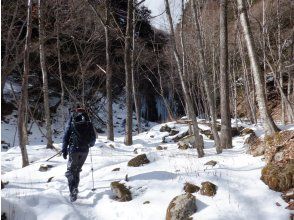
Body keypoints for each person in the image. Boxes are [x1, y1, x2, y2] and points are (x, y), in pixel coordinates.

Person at [62, 107, 96, 202]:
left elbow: (66, 136)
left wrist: (64, 150)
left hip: (74, 149)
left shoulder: (72, 120)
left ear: (76, 111)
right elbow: (93, 138)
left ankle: (73, 191)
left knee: (70, 171)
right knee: (76, 170)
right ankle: (75, 188)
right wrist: (89, 145)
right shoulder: (88, 121)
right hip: (85, 150)